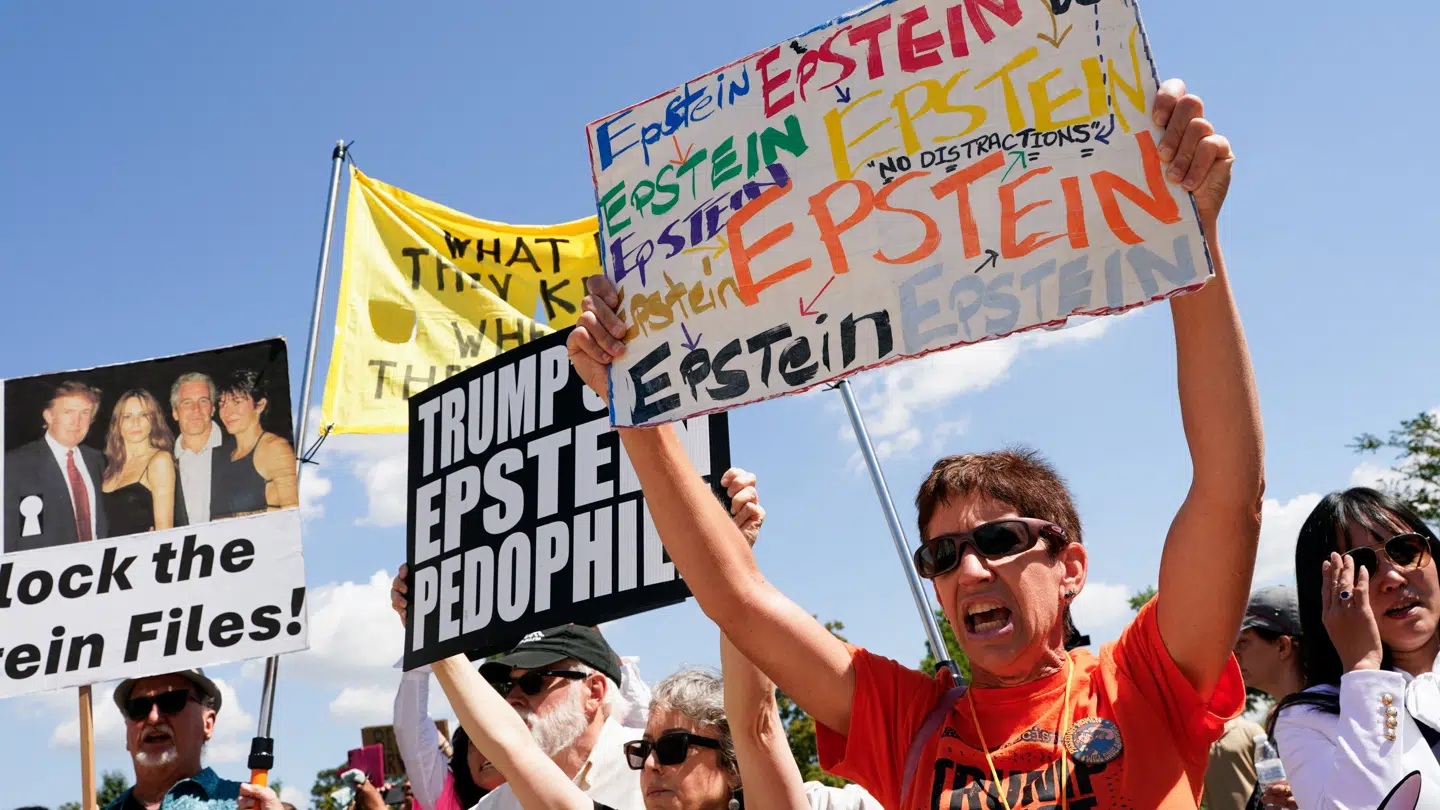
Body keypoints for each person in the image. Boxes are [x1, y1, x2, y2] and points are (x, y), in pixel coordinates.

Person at [568, 78, 1262, 809]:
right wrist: (636, 413)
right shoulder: (909, 721)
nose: (967, 568)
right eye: (941, 554)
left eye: (997, 539)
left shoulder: (1145, 679)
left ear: (1071, 566)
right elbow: (736, 600)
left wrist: (1194, 243)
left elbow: (1229, 494)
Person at [1271, 488, 1440, 809]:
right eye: (1361, 565)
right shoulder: (1305, 720)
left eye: (1405, 550)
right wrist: (1363, 670)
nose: (1392, 577)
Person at [103, 668, 282, 810]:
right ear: (127, 731)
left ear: (207, 724)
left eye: (172, 701)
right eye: (138, 707)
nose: (153, 717)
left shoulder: (246, 805)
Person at [4, 381, 109, 550]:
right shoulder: (14, 464)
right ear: (49, 416)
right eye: (68, 412)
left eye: (85, 413)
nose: (77, 421)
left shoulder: (97, 460)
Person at [1229, 587, 1304, 810]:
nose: (1233, 654)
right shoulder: (1284, 717)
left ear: (1282, 646)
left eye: (1243, 642)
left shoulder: (1329, 714)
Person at [212, 369, 298, 519]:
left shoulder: (275, 449)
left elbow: (294, 514)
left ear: (260, 405)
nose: (226, 412)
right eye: (222, 404)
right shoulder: (224, 454)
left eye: (236, 402)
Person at [101, 389, 178, 537]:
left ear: (154, 420)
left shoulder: (160, 460)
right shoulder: (107, 466)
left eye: (143, 415)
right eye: (127, 417)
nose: (135, 423)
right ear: (117, 423)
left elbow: (165, 531)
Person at [170, 372, 236, 526]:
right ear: (175, 412)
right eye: (187, 402)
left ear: (213, 409)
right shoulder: (164, 463)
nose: (196, 409)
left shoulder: (239, 450)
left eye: (203, 401)